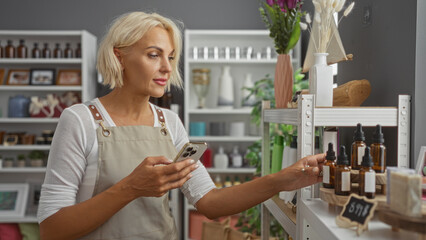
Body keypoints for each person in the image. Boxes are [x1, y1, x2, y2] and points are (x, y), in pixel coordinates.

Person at [37, 11, 325, 240]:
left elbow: (210, 202)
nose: (167, 67)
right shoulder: (80, 120)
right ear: (119, 56)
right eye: (154, 54)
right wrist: (131, 188)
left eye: (171, 57)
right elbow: (52, 229)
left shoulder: (169, 122)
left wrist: (282, 180)